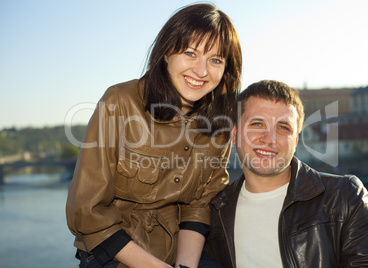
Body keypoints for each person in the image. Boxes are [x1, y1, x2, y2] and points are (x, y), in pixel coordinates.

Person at [66, 3, 242, 268]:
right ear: (166, 53)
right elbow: (87, 212)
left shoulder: (219, 123)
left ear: (226, 69)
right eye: (191, 53)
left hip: (179, 250)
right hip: (114, 252)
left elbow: (199, 204)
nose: (201, 71)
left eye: (215, 60)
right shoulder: (120, 102)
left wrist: (184, 267)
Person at [204, 80, 368, 267]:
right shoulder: (215, 209)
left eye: (283, 127)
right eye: (257, 124)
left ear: (295, 141)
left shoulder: (344, 196)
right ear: (234, 134)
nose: (269, 139)